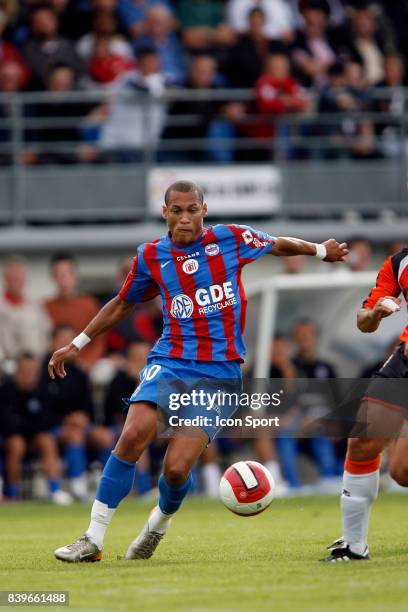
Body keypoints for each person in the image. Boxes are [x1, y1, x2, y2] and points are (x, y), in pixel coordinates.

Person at [49, 179, 347, 562]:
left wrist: (322, 250)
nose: (185, 218)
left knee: (175, 470)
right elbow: (123, 303)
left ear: (204, 211)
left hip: (219, 374)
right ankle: (92, 538)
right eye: (177, 210)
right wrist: (77, 344)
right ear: (165, 213)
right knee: (134, 432)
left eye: (192, 210)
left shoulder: (231, 239)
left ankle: (158, 524)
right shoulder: (151, 256)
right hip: (170, 361)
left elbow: (277, 244)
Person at [323, 247, 408, 561]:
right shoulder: (398, 263)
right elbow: (364, 322)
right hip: (404, 362)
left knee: (401, 471)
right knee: (362, 442)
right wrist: (376, 314)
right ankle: (355, 546)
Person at [0, 353, 72, 504]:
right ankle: (12, 493)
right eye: (25, 371)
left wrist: (29, 426)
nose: (29, 375)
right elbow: (7, 423)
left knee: (47, 440)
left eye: (33, 371)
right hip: (12, 437)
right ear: (17, 372)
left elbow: (48, 419)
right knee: (16, 443)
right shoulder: (6, 391)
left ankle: (55, 490)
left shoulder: (43, 390)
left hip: (35, 437)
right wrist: (30, 426)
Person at [44, 253, 106, 370]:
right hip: (55, 365)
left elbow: (99, 340)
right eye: (58, 274)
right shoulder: (46, 306)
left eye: (67, 273)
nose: (63, 279)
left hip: (83, 366)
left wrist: (88, 361)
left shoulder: (89, 304)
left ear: (75, 275)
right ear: (53, 277)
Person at [0, 255, 51, 364]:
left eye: (18, 278)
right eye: (11, 278)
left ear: (25, 279)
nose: (15, 281)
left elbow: (46, 335)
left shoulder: (36, 307)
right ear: (5, 279)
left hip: (35, 367)